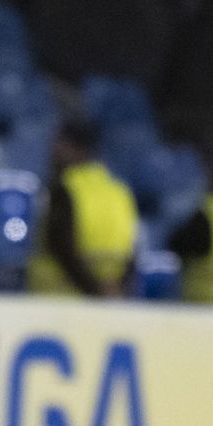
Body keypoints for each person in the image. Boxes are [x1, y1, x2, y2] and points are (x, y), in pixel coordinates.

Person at [25, 121, 140, 297]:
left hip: (58, 300)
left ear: (77, 149)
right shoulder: (120, 191)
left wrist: (94, 289)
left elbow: (60, 246)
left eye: (60, 145)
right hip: (109, 301)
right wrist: (115, 290)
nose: (53, 151)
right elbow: (132, 251)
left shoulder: (65, 189)